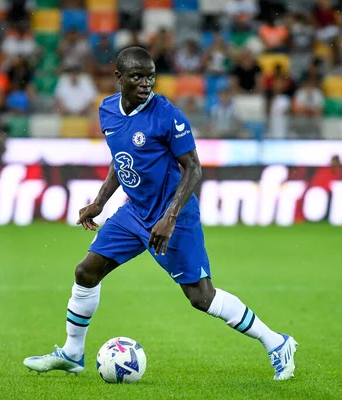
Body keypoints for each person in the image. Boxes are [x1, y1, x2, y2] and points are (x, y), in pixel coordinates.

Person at [23, 47, 298, 381]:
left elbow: (194, 169)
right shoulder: (108, 110)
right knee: (86, 271)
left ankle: (277, 342)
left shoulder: (167, 114)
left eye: (150, 76)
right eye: (137, 76)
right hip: (135, 211)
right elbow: (121, 158)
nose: (146, 83)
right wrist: (100, 201)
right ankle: (72, 353)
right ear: (119, 78)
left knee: (201, 297)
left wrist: (169, 217)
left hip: (174, 214)